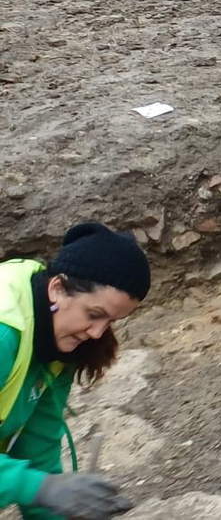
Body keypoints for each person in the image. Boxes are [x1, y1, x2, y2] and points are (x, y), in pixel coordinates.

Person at [0, 222, 151, 520]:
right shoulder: (5, 332)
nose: (96, 333)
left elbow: (38, 448)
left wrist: (54, 501)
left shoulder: (55, 344)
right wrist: (39, 487)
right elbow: (40, 485)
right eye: (94, 315)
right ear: (57, 288)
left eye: (110, 322)